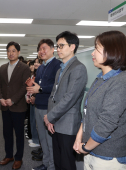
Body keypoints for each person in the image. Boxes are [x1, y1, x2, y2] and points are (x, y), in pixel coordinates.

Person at [73, 30, 126, 170]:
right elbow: (87, 114)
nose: (92, 53)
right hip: (91, 151)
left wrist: (85, 147)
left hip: (108, 157)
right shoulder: (99, 79)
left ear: (112, 51)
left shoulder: (120, 82)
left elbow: (107, 123)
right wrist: (79, 139)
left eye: (96, 48)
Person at [44, 31, 87, 170]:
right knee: (58, 162)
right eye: (57, 46)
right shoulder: (60, 69)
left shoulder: (78, 68)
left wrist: (50, 116)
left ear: (72, 46)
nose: (58, 49)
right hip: (56, 122)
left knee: (66, 164)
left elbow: (69, 98)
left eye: (61, 46)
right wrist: (50, 117)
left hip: (68, 125)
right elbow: (53, 95)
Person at [27, 39, 61, 170]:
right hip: (38, 106)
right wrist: (34, 95)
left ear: (53, 49)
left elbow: (56, 86)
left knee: (50, 140)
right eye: (39, 49)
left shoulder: (58, 65)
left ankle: (52, 167)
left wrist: (40, 90)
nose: (41, 51)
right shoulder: (40, 67)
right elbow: (38, 85)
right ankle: (46, 163)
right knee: (42, 139)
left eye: (44, 48)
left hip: (49, 108)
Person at [0, 41, 30, 170]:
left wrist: (13, 100)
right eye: (9, 51)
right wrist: (0, 99)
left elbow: (24, 86)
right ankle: (9, 155)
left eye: (13, 50)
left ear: (18, 52)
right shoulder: (3, 67)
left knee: (19, 134)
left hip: (18, 107)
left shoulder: (24, 68)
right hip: (5, 106)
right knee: (7, 133)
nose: (11, 53)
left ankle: (19, 158)